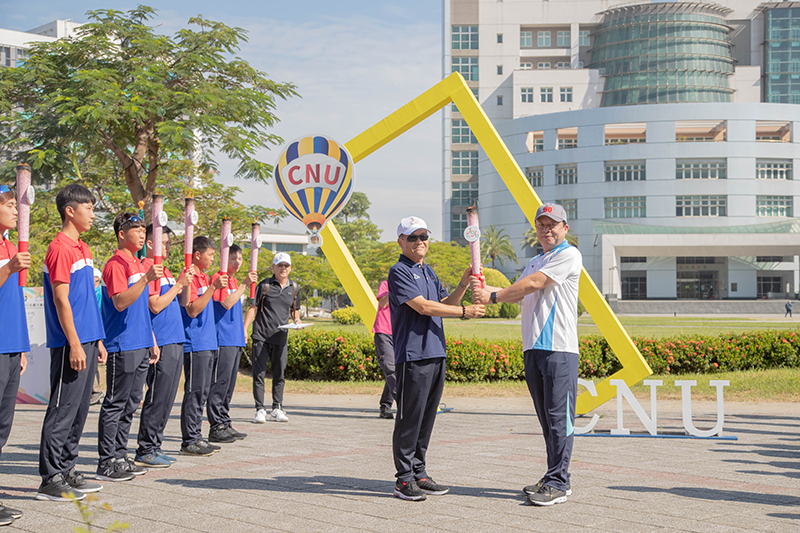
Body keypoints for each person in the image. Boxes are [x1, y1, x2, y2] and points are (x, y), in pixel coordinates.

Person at [472, 203, 582, 507]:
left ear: (564, 228)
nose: (547, 230)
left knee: (560, 419)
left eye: (552, 225)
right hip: (533, 347)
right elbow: (519, 290)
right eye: (541, 225)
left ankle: (558, 482)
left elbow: (534, 284)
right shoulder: (535, 260)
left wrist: (491, 297)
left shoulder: (568, 255)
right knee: (547, 419)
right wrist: (484, 287)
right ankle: (554, 476)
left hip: (559, 349)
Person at [388, 216, 484, 501]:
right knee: (409, 419)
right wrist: (466, 312)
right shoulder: (399, 272)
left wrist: (463, 285)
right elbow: (424, 307)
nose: (420, 242)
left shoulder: (427, 272)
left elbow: (444, 304)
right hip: (413, 355)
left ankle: (419, 472)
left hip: (435, 352)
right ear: (401, 242)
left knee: (427, 418)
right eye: (413, 237)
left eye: (423, 237)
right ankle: (403, 480)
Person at [37, 184, 106, 501]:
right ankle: (51, 478)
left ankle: (67, 468)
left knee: (79, 409)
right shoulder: (60, 248)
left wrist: (97, 340)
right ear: (70, 210)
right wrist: (75, 343)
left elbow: (87, 300)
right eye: (89, 207)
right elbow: (61, 300)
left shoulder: (84, 249)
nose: (93, 213)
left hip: (89, 339)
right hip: (70, 342)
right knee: (63, 408)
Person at [96, 212, 163, 482]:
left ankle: (120, 455)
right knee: (115, 403)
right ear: (121, 234)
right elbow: (120, 302)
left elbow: (142, 310)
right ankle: (106, 461)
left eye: (143, 229)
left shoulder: (137, 264)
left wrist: (152, 340)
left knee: (132, 403)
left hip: (140, 342)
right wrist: (146, 279)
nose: (142, 234)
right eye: (135, 229)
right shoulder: (116, 264)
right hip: (121, 344)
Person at [134, 225, 194, 468]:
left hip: (176, 338)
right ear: (150, 243)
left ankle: (155, 444)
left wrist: (185, 282)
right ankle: (145, 448)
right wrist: (179, 285)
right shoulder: (149, 270)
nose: (168, 247)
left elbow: (184, 301)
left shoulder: (166, 271)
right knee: (157, 395)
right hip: (161, 340)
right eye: (164, 242)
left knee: (168, 397)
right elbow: (154, 305)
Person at [180, 236, 228, 456]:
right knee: (194, 391)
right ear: (197, 255)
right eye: (210, 254)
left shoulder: (205, 277)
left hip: (208, 341)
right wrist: (211, 288)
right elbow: (192, 309)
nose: (212, 259)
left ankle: (197, 435)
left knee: (203, 392)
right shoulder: (190, 277)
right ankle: (189, 438)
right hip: (194, 342)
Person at [207, 244, 257, 443]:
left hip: (234, 338)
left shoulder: (234, 280)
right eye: (233, 258)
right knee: (219, 383)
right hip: (222, 338)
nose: (237, 262)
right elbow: (226, 303)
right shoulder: (218, 279)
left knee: (228, 384)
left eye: (240, 259)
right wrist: (244, 285)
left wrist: (244, 329)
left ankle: (225, 421)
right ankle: (216, 425)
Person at [0, 184, 29, 525]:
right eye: (9, 204)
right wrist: (8, 267)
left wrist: (22, 346)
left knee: (3, 426)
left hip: (10, 345)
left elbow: (16, 300)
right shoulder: (9, 253)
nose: (15, 210)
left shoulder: (10, 244)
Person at [244, 252, 300, 424]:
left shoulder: (294, 287)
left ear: (290, 268)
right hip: (261, 336)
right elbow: (253, 308)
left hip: (281, 337)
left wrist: (297, 320)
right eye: (280, 265)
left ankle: (277, 408)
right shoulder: (265, 285)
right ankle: (260, 409)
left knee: (279, 374)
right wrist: (244, 329)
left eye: (286, 266)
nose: (283, 269)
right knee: (259, 374)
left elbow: (294, 309)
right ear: (273, 268)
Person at [372, 279, 395, 419]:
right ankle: (406, 404)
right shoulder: (387, 284)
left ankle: (385, 405)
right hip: (384, 332)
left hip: (401, 333)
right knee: (391, 368)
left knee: (398, 370)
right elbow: (383, 302)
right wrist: (395, 286)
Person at [90, 268, 105, 406]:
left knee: (94, 361)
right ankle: (94, 390)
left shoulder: (100, 292)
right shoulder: (88, 291)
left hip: (100, 329)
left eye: (94, 280)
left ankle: (95, 390)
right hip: (91, 328)